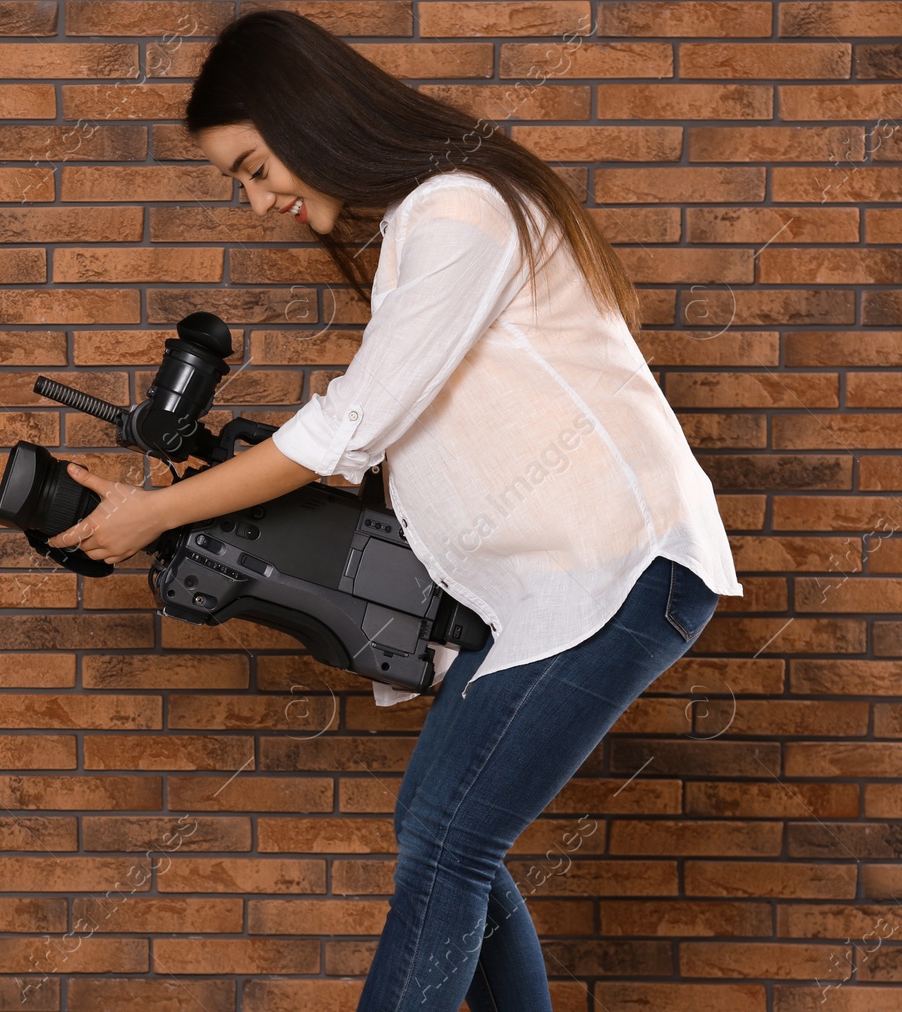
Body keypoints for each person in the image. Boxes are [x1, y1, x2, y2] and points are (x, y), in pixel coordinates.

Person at [42, 9, 744, 1012]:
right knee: (445, 834)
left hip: (618, 571)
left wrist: (157, 514)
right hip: (545, 598)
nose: (253, 201)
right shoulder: (429, 226)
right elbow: (387, 456)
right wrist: (185, 502)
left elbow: (345, 428)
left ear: (306, 117)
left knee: (447, 845)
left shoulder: (457, 213)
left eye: (251, 166)